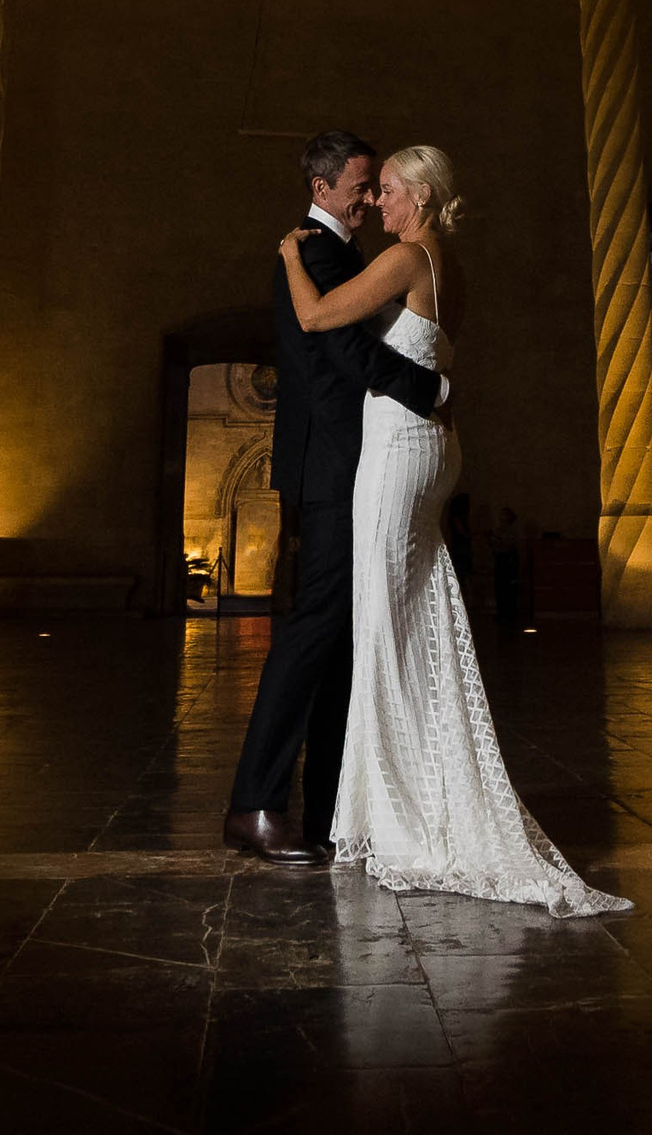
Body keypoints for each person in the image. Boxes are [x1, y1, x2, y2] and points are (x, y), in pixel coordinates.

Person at [280, 143, 629, 918]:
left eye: (390, 190)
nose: (380, 203)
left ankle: (404, 816)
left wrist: (289, 256)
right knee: (418, 620)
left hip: (400, 451)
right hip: (433, 448)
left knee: (383, 625)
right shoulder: (449, 264)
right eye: (377, 191)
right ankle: (423, 793)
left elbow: (313, 316)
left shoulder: (409, 257)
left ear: (423, 196)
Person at [223, 131, 448, 864]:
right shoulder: (315, 253)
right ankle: (255, 804)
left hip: (355, 464)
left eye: (376, 187)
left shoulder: (343, 255)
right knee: (314, 628)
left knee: (345, 637)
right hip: (331, 467)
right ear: (321, 189)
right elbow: (346, 352)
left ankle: (326, 810)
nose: (368, 198)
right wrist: (431, 389)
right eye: (360, 186)